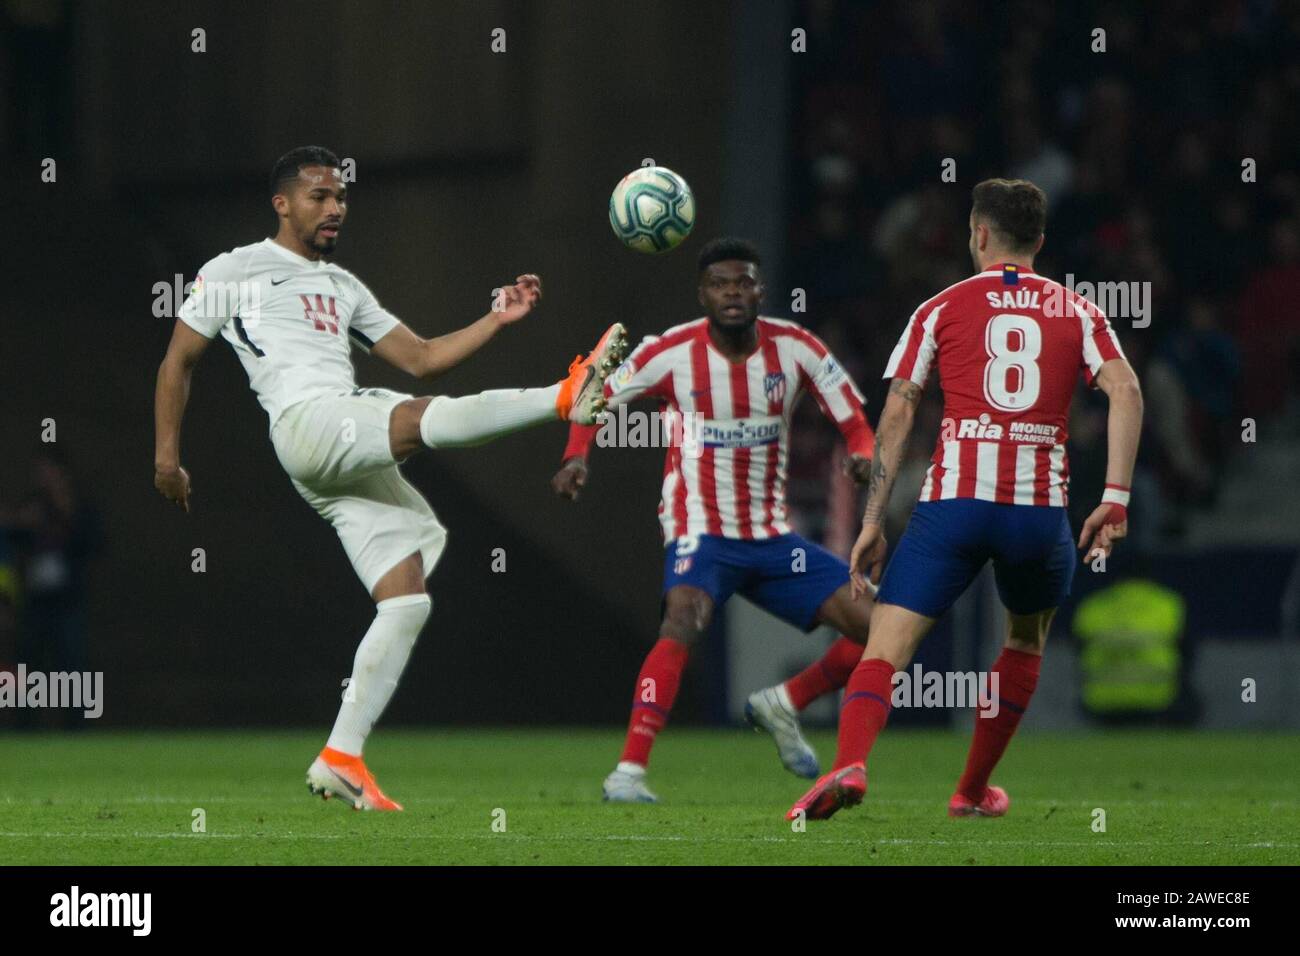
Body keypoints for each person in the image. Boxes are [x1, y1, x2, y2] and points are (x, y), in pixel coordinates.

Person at [154, 146, 627, 811]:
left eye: (341, 196)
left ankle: (342, 757)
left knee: (405, 597)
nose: (335, 207)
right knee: (414, 420)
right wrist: (166, 459)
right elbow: (178, 360)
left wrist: (497, 318)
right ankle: (564, 396)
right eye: (319, 195)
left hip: (332, 448)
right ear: (282, 204)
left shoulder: (343, 287)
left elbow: (425, 357)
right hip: (306, 422)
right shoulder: (234, 269)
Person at [788, 178, 1142, 821]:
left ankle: (850, 763)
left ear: (979, 235)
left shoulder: (939, 308)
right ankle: (972, 791)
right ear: (1039, 240)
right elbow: (1127, 392)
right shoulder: (1079, 311)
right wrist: (1114, 499)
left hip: (952, 507)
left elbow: (897, 412)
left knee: (885, 649)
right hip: (1036, 514)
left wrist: (872, 519)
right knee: (1024, 644)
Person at [551, 238, 878, 803]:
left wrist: (862, 455)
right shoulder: (671, 352)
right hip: (700, 530)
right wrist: (576, 454)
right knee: (682, 619)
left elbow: (855, 421)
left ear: (761, 290)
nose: (733, 291)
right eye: (721, 284)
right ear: (702, 294)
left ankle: (786, 703)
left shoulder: (796, 347)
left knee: (884, 629)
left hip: (773, 539)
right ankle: (628, 772)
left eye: (744, 281)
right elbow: (597, 392)